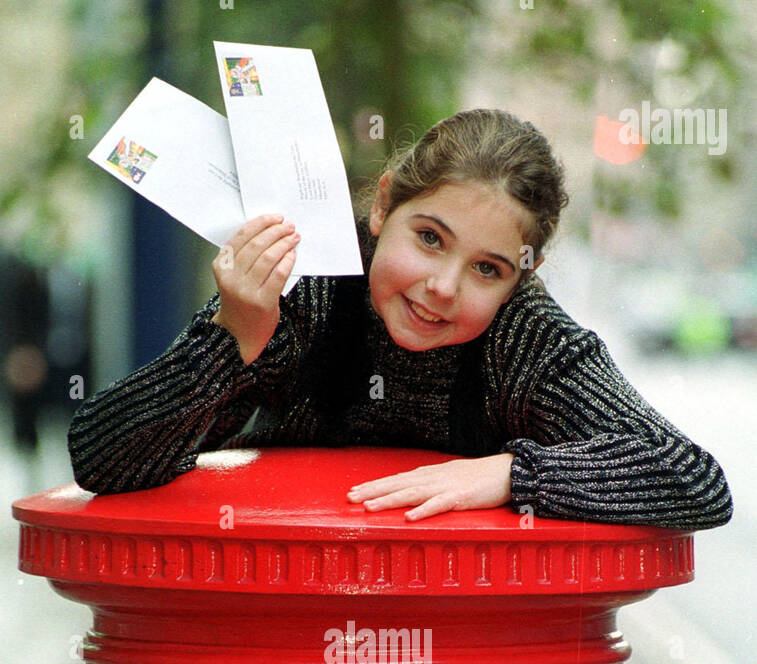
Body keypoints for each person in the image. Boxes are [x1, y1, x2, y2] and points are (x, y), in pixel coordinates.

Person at [68, 109, 732, 530]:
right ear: (383, 206)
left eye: (487, 269)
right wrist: (236, 334)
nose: (441, 288)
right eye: (430, 239)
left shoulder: (525, 340)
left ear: (521, 277)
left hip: (460, 642)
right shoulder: (303, 295)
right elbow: (103, 458)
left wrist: (508, 474)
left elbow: (693, 480)